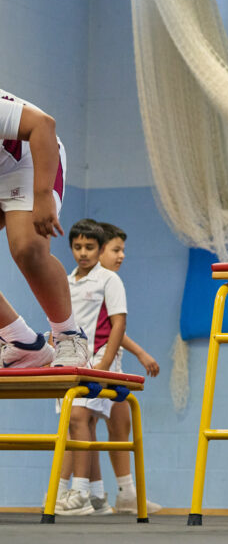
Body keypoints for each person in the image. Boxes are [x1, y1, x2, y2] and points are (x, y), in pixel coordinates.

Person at [0, 91, 88, 368]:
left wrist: (42, 195)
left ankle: (68, 335)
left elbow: (43, 125)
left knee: (26, 248)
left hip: (26, 161)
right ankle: (22, 343)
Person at [55, 220, 126, 516]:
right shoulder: (65, 281)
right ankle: (97, 496)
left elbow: (119, 322)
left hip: (96, 361)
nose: (83, 253)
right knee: (78, 424)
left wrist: (105, 364)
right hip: (67, 360)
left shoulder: (109, 280)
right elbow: (58, 319)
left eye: (89, 247)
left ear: (99, 249)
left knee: (81, 418)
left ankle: (80, 490)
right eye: (77, 247)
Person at [96, 222, 162, 515]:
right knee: (84, 425)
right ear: (99, 251)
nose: (121, 256)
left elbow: (115, 328)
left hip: (112, 361)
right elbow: (110, 329)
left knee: (121, 425)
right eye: (115, 250)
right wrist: (140, 352)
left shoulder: (110, 282)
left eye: (123, 250)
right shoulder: (95, 282)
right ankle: (91, 492)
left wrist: (138, 353)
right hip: (98, 362)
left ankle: (126, 493)